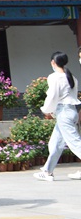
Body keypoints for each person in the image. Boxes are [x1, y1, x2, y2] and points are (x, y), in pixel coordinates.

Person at [34, 51, 81, 181]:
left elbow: (53, 95)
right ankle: (47, 171)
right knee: (55, 143)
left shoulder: (54, 77)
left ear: (53, 62)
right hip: (70, 111)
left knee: (75, 142)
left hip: (64, 113)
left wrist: (46, 109)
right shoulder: (71, 77)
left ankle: (47, 171)